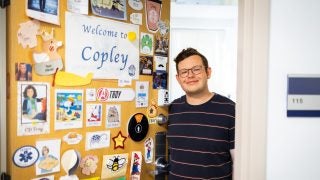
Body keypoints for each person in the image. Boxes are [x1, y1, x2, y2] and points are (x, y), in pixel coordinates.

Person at [167, 48, 235, 179]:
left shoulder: (231, 110)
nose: (190, 76)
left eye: (196, 69)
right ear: (178, 78)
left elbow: (240, 163)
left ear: (208, 72)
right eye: (184, 72)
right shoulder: (171, 109)